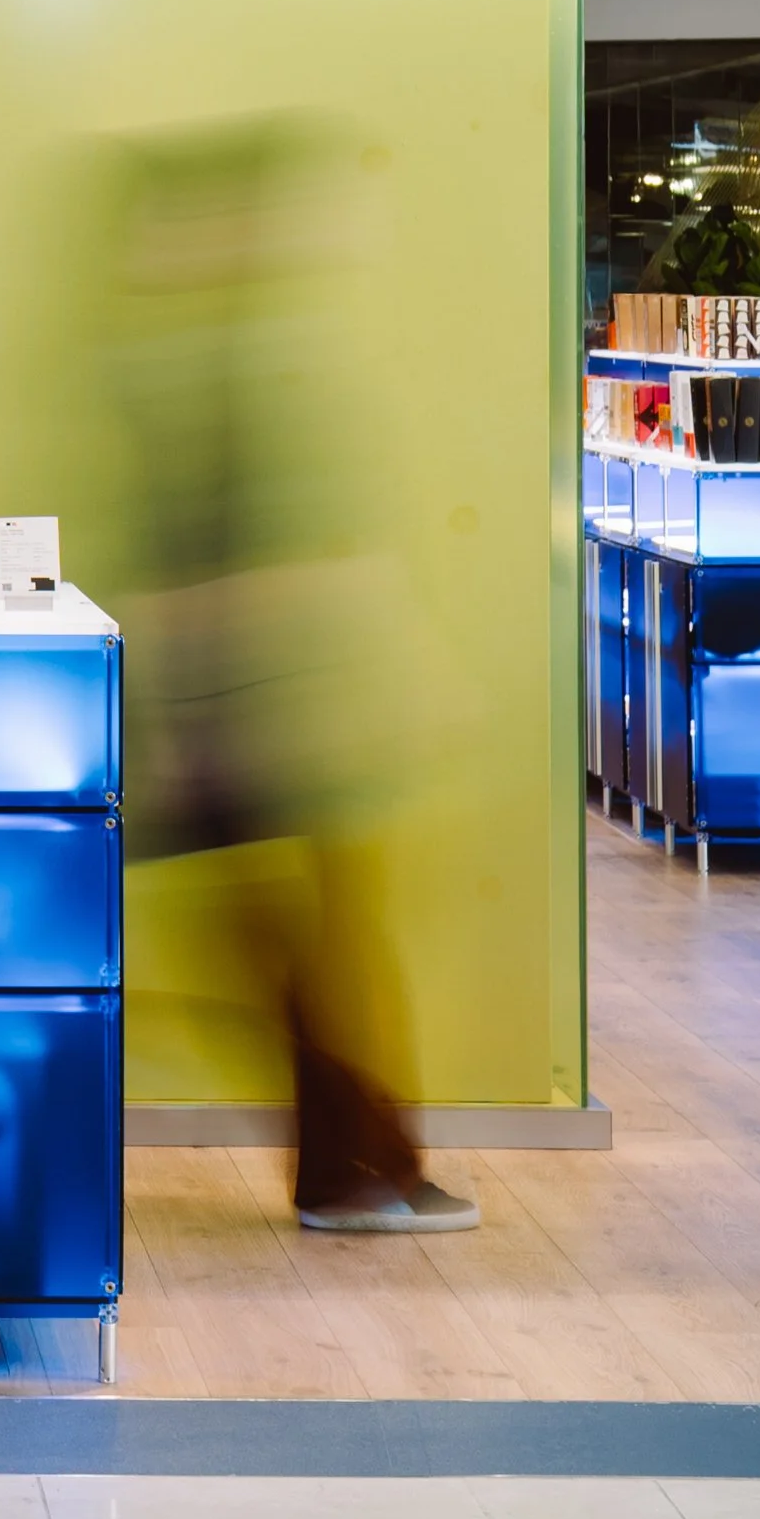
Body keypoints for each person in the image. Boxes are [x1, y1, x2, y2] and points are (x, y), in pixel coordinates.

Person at [113, 114, 477, 1234]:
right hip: (250, 718)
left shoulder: (206, 360)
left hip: (265, 713)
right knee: (304, 949)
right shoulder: (200, 368)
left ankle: (367, 1161)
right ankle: (359, 1165)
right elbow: (231, 559)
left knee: (316, 946)